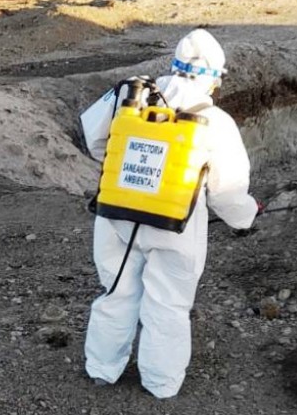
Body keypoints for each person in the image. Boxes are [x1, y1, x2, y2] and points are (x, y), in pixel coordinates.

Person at [81, 29, 259, 399]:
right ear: (215, 77)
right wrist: (245, 218)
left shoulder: (129, 96)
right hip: (175, 225)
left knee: (115, 291)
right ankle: (160, 384)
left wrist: (124, 172)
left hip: (117, 214)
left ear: (174, 64)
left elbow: (95, 139)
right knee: (168, 304)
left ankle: (101, 368)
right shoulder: (216, 121)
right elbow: (227, 192)